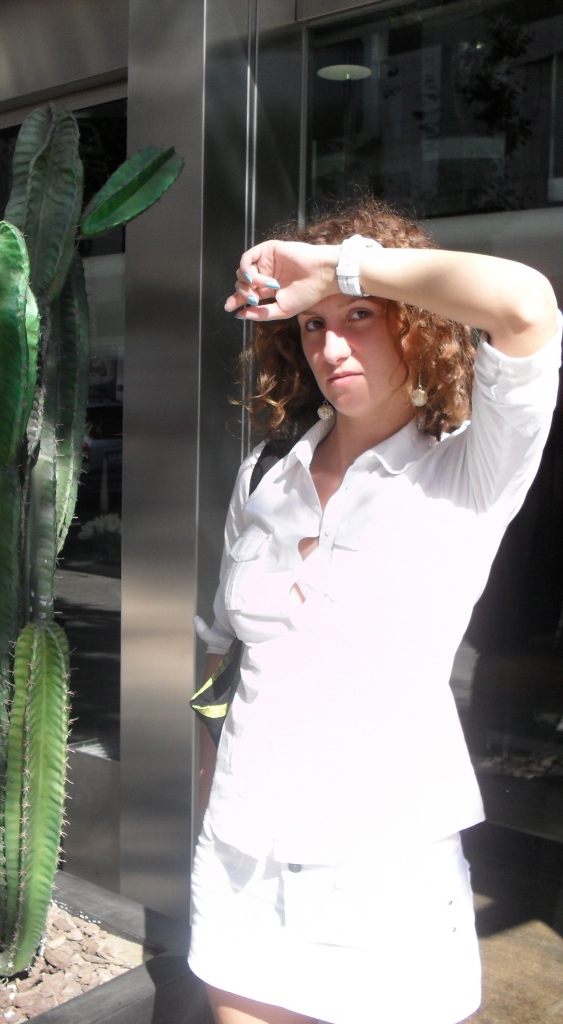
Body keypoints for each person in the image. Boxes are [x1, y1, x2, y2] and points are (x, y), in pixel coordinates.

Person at [189, 200, 562, 1024]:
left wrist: (336, 267)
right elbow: (224, 654)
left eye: (359, 316)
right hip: (242, 859)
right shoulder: (265, 474)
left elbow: (527, 306)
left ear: (414, 324)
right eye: (313, 325)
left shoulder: (470, 470)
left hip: (384, 874)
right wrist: (211, 786)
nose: (331, 347)